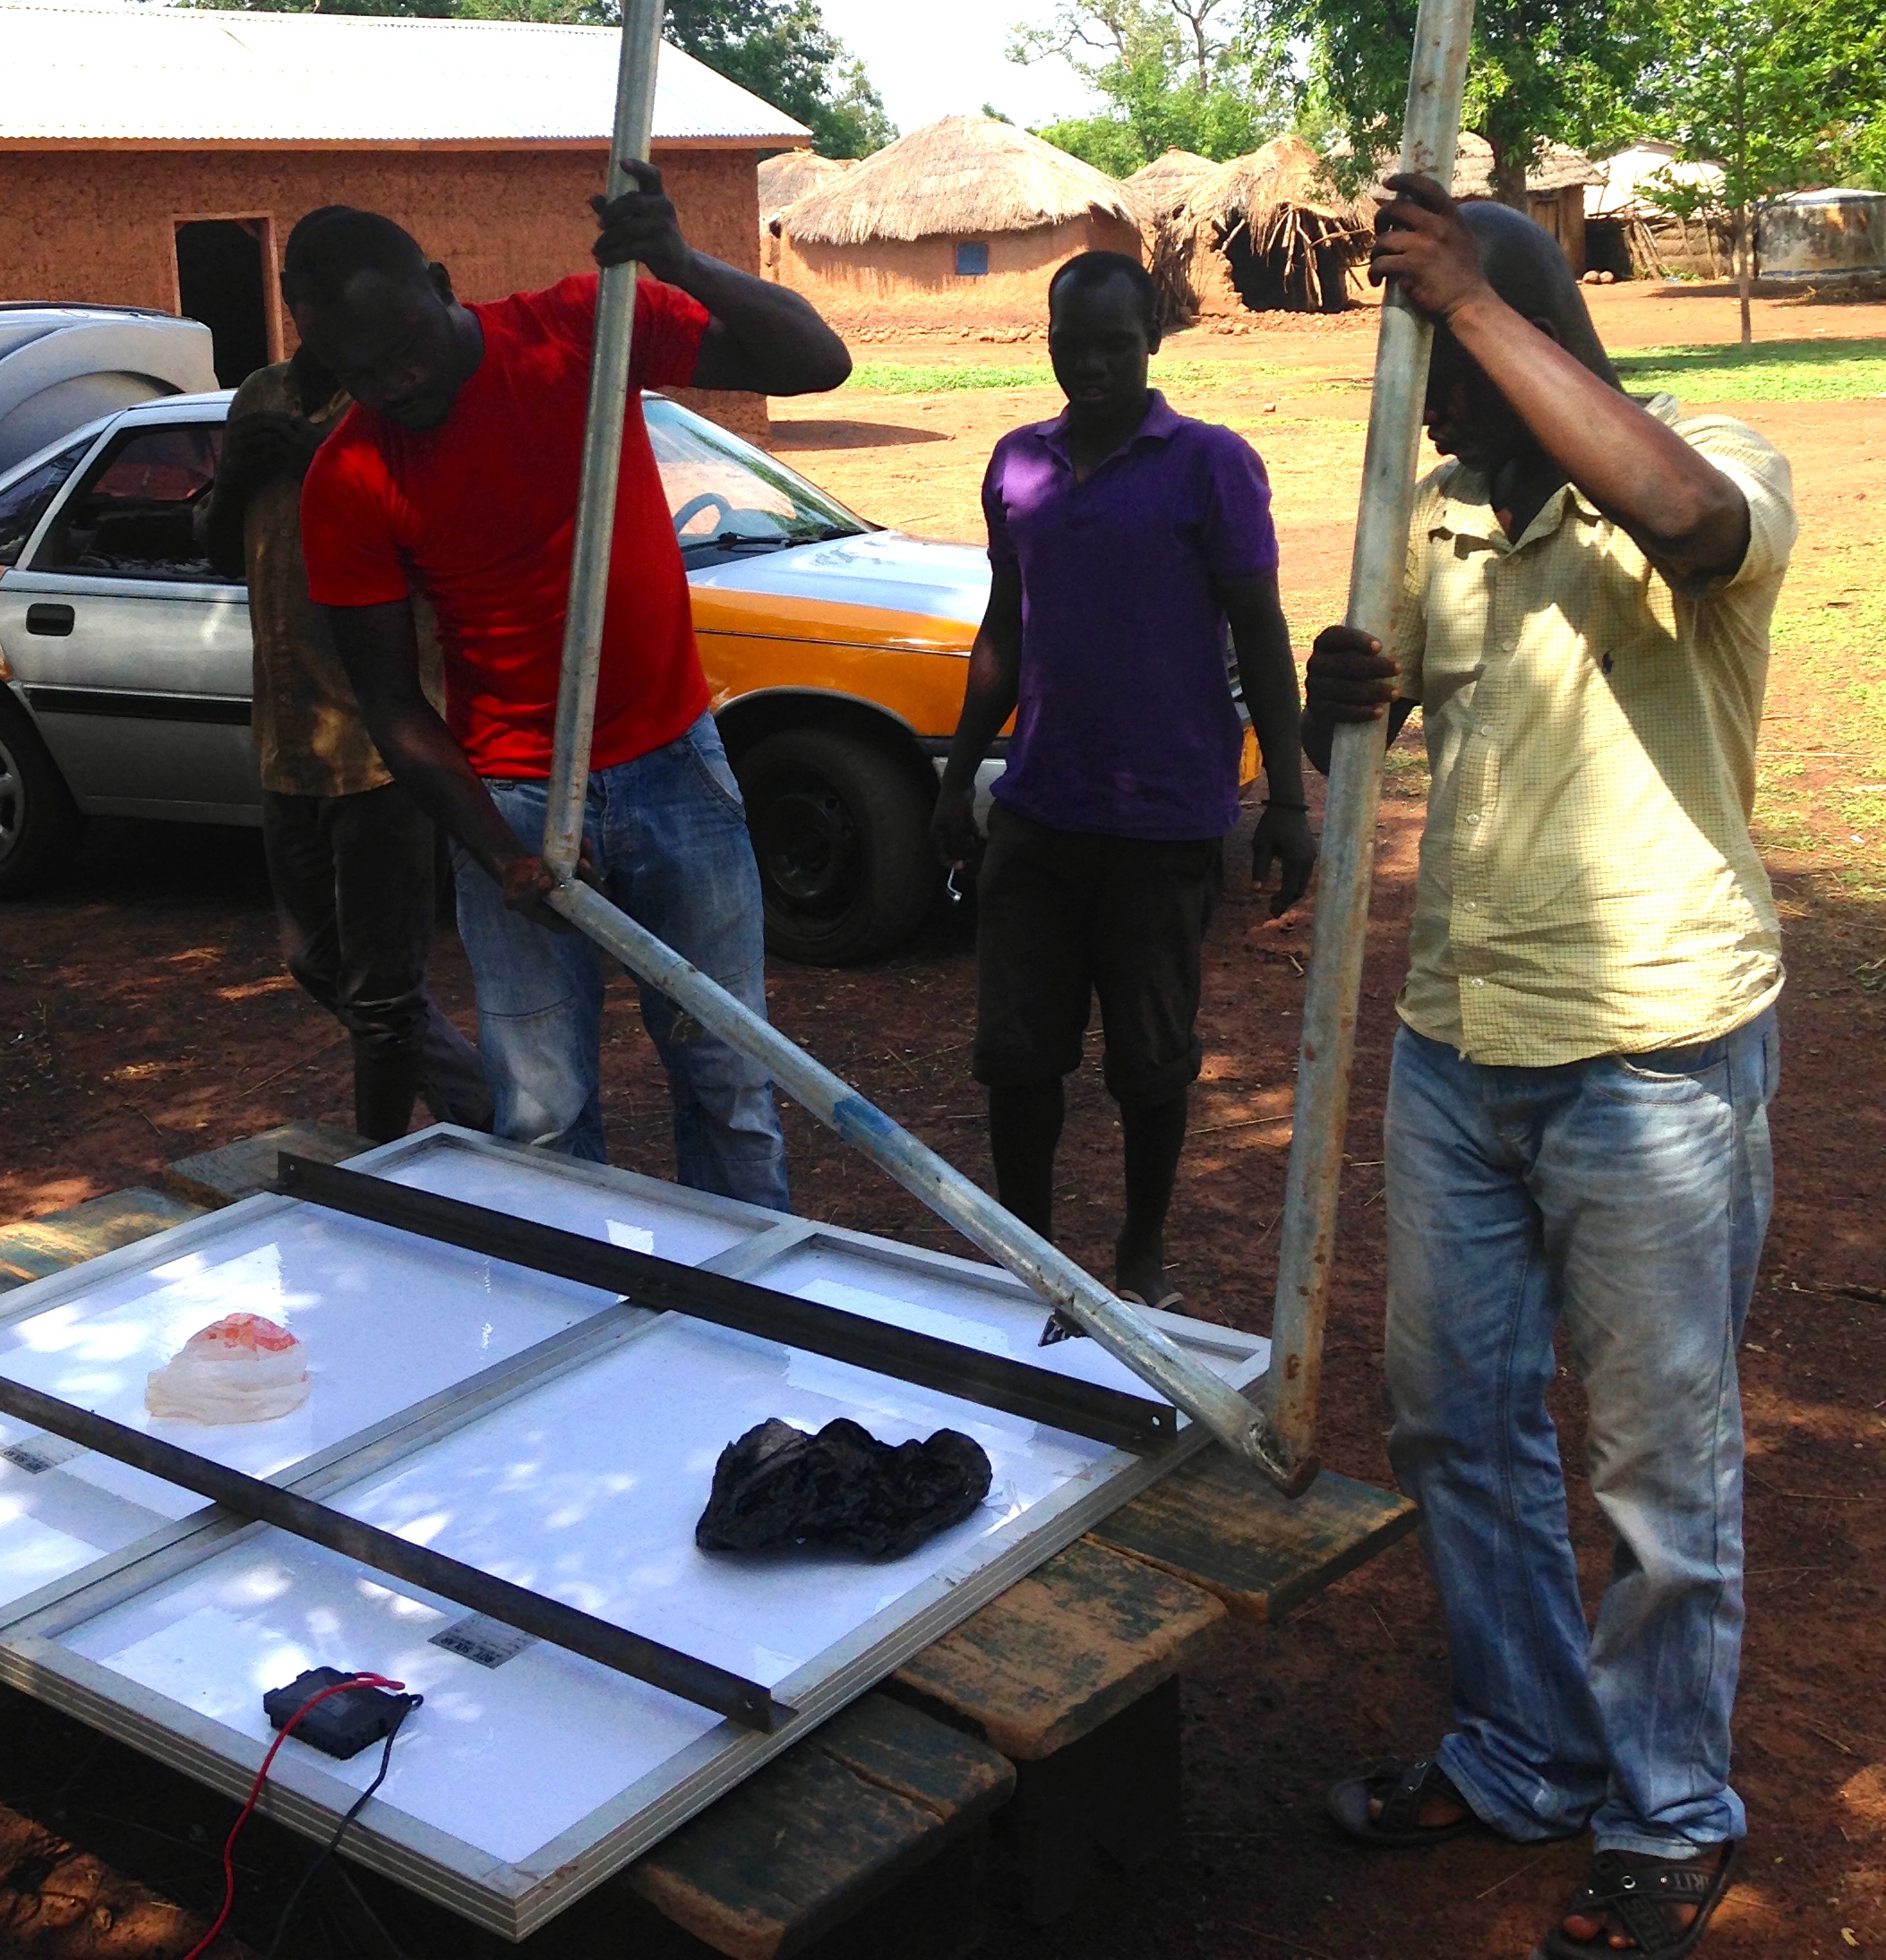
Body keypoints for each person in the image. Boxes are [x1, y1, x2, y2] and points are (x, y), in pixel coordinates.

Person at [1307, 175, 1793, 1960]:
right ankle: (1524, 1751)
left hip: (1651, 1054)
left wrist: (1481, 308)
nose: (1419, 401)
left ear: (1518, 334)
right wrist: (1346, 693)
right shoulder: (1445, 521)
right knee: (1454, 1418)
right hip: (1460, 1044)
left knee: (1662, 1467)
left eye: (1434, 353)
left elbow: (1682, 512)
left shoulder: (1712, 453)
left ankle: (1671, 1805)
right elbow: (1404, 706)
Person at [289, 172, 851, 1209]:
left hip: (674, 764)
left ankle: (754, 1339)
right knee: (542, 1117)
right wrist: (499, 852)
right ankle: (580, 1338)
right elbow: (394, 707)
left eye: (402, 346)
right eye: (355, 371)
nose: (393, 384)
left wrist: (679, 263)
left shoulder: (577, 331)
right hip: (509, 796)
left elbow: (818, 362)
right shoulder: (351, 479)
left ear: (441, 282)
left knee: (729, 1080)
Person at [933, 249, 1316, 1311]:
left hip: (1163, 822)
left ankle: (1139, 1261)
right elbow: (1003, 629)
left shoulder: (1210, 465)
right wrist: (959, 772)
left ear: (1153, 339)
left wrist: (1286, 800)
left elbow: (1261, 630)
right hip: (1039, 814)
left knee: (1150, 1063)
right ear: (1047, 341)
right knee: (1016, 1058)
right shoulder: (1017, 465)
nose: (1091, 365)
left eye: (1114, 343)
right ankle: (1034, 1259)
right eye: (1072, 344)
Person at [195, 330, 492, 1146]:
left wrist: (325, 463)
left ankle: (381, 1169)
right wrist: (237, 478)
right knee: (313, 962)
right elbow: (218, 548)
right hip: (287, 740)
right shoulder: (258, 396)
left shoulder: (395, 408)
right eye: (301, 291)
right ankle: (487, 1109)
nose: (315, 315)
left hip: (383, 749)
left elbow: (446, 541)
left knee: (383, 998)